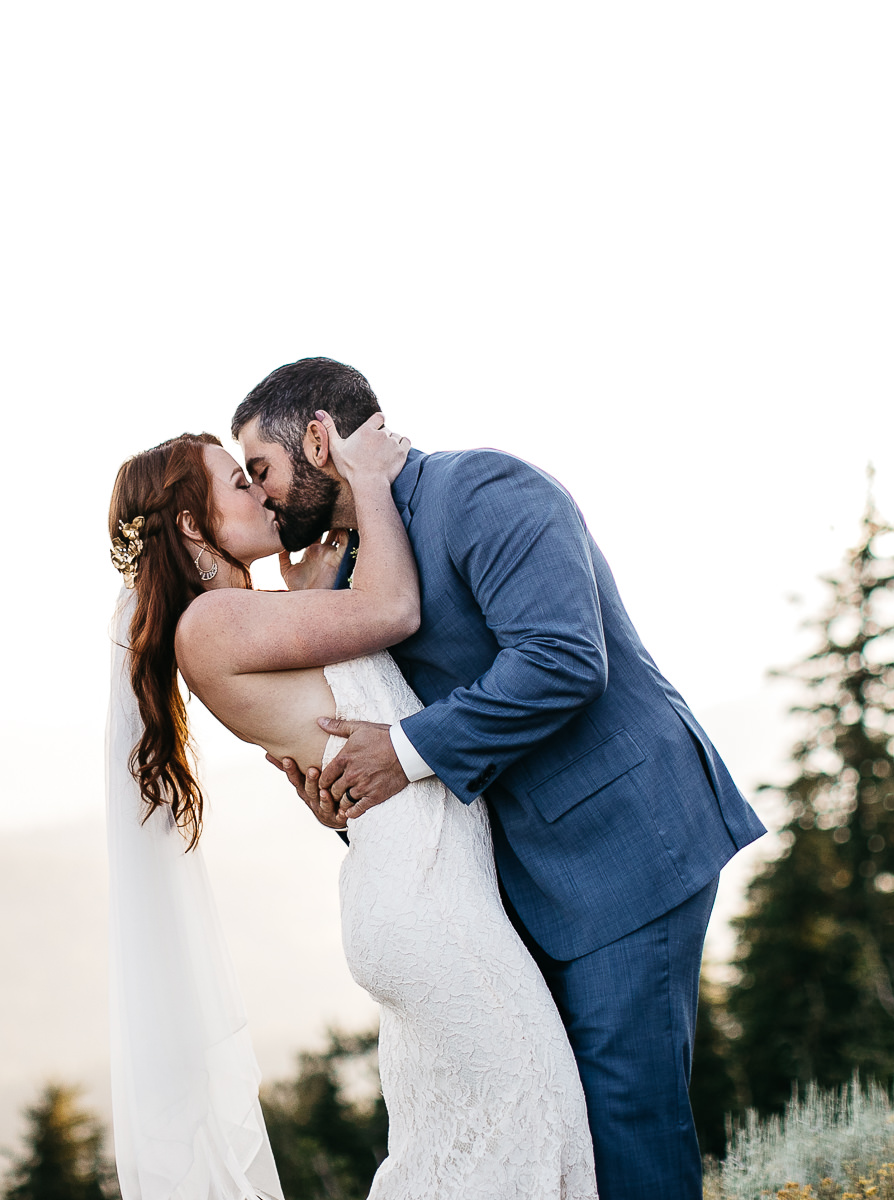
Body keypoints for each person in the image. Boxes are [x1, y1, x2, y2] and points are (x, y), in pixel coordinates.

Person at [238, 358, 767, 1198]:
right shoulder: (351, 569)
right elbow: (383, 727)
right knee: (558, 1131)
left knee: (623, 1118)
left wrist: (402, 749)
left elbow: (562, 660)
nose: (258, 494)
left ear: (318, 438)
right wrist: (345, 799)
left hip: (625, 843)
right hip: (517, 883)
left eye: (259, 468)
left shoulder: (484, 490)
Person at [104, 414, 597, 1200]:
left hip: (424, 888)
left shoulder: (251, 616)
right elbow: (395, 610)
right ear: (195, 524)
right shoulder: (214, 623)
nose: (262, 493)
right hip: (424, 902)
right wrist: (368, 480)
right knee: (533, 1117)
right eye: (240, 481)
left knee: (463, 1154)